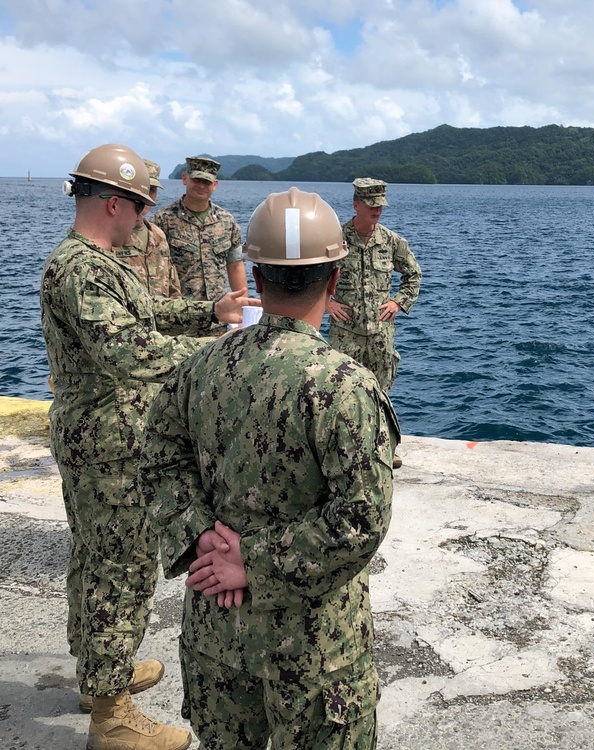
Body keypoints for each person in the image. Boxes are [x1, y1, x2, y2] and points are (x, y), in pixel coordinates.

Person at [142, 187, 399, 749]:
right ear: (334, 280)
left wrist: (204, 540)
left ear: (255, 279)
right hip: (315, 653)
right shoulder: (344, 385)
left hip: (216, 636)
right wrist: (253, 561)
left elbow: (158, 457)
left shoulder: (199, 366)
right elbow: (360, 520)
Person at [40, 144, 256, 750]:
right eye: (139, 204)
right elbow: (133, 353)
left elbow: (145, 315)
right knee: (120, 569)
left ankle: (98, 672)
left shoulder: (96, 262)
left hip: (107, 440)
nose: (144, 215)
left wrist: (207, 310)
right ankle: (110, 716)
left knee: (96, 558)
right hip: (110, 447)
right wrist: (221, 353)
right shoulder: (82, 268)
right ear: (114, 203)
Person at [326, 177, 421, 469]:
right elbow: (314, 274)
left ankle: (384, 451)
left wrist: (398, 302)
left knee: (380, 394)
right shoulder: (336, 239)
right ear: (356, 204)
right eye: (371, 205)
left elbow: (414, 275)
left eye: (380, 205)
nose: (377, 211)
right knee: (340, 394)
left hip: (380, 335)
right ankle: (337, 453)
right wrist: (327, 302)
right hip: (345, 334)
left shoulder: (391, 241)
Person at [152, 156, 244, 301]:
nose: (201, 185)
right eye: (196, 180)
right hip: (181, 314)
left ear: (215, 185)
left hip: (219, 314)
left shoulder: (227, 222)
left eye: (207, 182)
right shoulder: (163, 220)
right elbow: (154, 268)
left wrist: (243, 308)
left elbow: (235, 265)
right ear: (184, 179)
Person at [116, 159, 183, 298]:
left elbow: (173, 292)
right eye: (140, 189)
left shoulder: (158, 235)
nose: (145, 196)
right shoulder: (109, 235)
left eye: (151, 190)